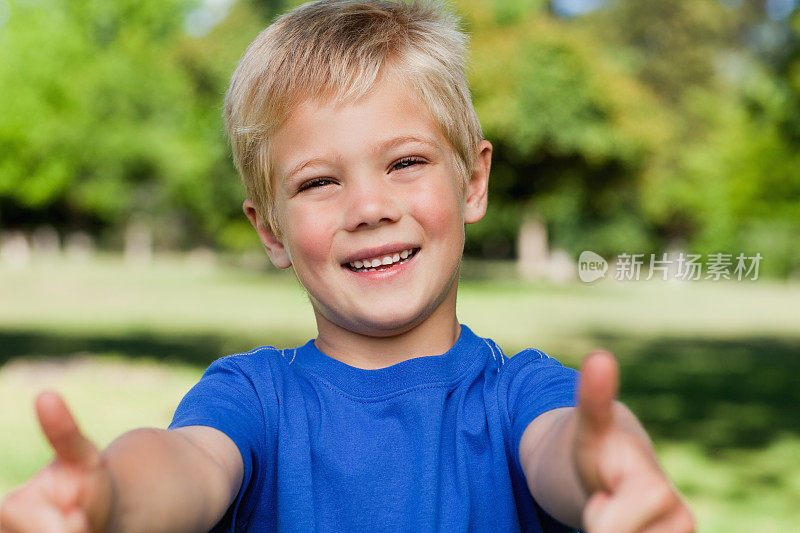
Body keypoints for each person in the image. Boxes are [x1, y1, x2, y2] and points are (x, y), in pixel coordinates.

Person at [0, 1, 695, 532]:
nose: (368, 206)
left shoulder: (519, 396)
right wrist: (111, 497)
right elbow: (185, 463)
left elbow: (569, 442)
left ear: (473, 183)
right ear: (269, 229)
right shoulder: (254, 398)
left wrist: (612, 465)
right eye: (317, 182)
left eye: (406, 162)